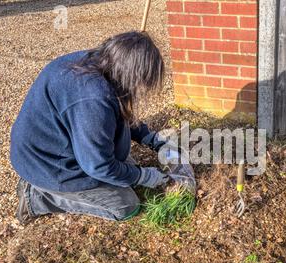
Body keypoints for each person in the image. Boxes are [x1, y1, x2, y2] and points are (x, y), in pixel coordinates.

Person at [10, 31, 173, 224]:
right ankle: (39, 196)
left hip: (61, 144)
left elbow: (120, 109)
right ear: (129, 74)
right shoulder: (94, 98)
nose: (141, 89)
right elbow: (99, 165)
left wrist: (150, 138)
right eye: (141, 83)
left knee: (124, 167)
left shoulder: (101, 62)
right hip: (49, 163)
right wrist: (143, 176)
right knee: (126, 205)